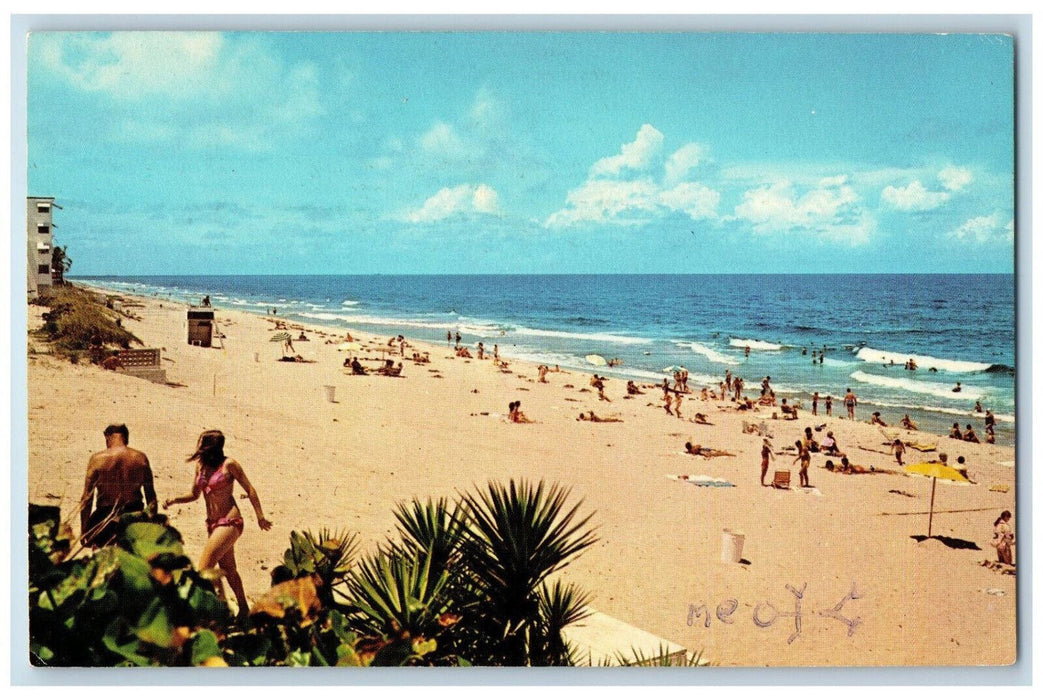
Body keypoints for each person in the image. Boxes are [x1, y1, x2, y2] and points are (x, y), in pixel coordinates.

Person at [163, 430, 271, 618]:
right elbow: (195, 494)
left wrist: (260, 516)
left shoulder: (229, 465)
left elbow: (250, 489)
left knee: (205, 568)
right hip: (212, 523)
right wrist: (175, 500)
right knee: (229, 570)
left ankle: (213, 612)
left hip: (230, 521)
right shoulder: (201, 466)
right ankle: (243, 610)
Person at [79, 424, 158, 548]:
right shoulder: (140, 458)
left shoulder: (97, 460)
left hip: (105, 521)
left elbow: (86, 499)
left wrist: (84, 530)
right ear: (126, 438)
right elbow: (151, 497)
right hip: (134, 519)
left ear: (107, 437)